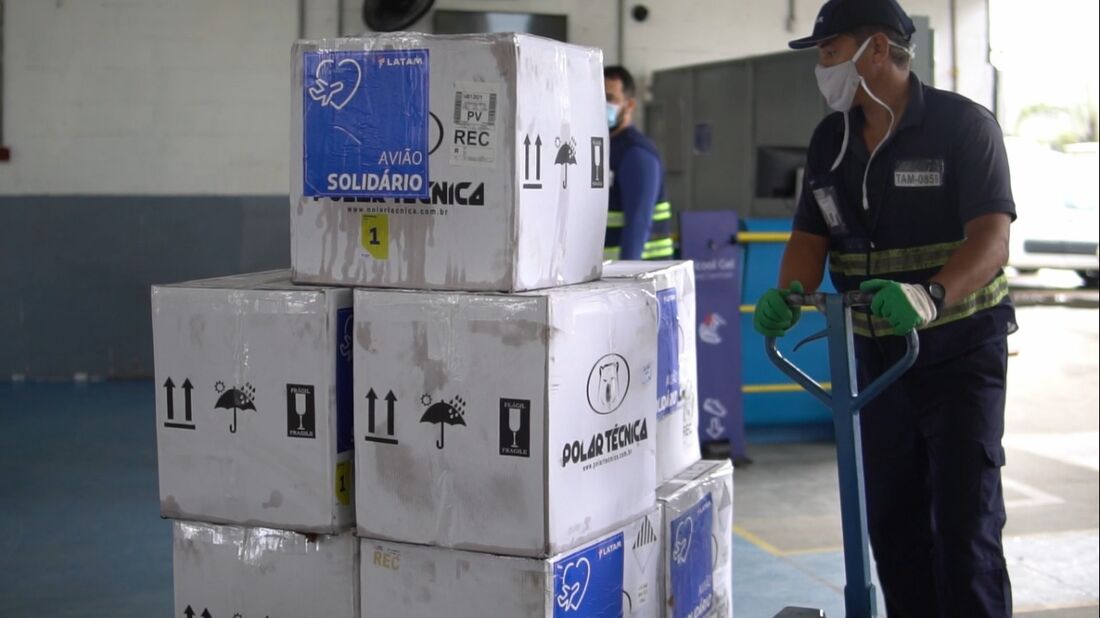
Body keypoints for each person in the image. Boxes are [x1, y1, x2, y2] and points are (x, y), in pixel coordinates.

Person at [753, 0, 1016, 615]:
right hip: (875, 363)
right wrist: (789, 293)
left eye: (829, 50)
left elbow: (992, 240)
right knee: (894, 527)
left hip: (960, 357)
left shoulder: (963, 127)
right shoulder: (829, 141)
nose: (822, 67)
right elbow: (809, 238)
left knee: (964, 526)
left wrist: (930, 295)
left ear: (876, 50)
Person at [603, 66, 674, 260]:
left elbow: (638, 223)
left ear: (629, 105)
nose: (602, 104)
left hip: (640, 276)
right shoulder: (599, 147)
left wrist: (626, 279)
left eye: (610, 98)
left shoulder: (636, 153)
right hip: (606, 275)